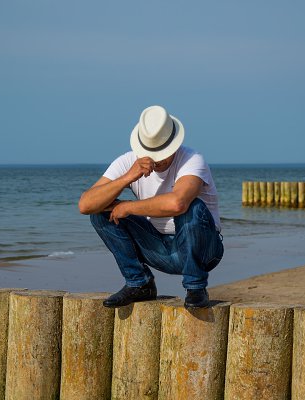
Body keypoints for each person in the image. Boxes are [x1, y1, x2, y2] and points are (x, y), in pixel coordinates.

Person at [78, 105, 223, 308]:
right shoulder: (128, 162)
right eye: (152, 152)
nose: (158, 158)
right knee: (100, 212)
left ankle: (195, 287)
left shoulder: (192, 159)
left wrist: (128, 207)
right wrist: (128, 177)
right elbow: (85, 204)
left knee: (192, 206)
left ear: (174, 145)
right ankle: (139, 283)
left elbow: (177, 203)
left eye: (163, 151)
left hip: (205, 250)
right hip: (159, 248)